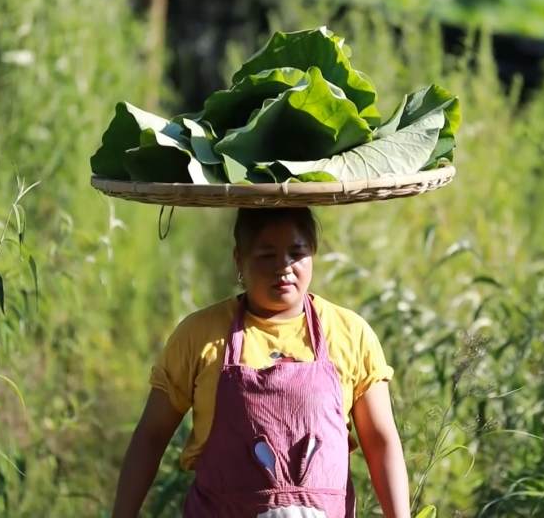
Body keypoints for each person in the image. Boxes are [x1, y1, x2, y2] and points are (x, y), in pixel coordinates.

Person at [112, 207, 410, 518]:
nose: (284, 267)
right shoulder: (200, 335)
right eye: (267, 255)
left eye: (297, 252)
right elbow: (151, 436)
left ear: (314, 253)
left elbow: (380, 442)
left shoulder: (350, 332)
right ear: (239, 259)